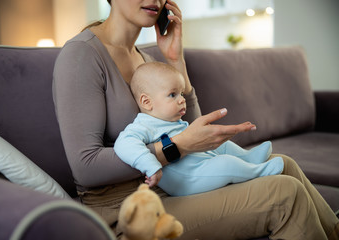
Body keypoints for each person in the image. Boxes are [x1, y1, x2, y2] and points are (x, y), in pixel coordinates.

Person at [52, 0, 339, 239]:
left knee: (286, 164)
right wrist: (176, 146)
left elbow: (191, 130)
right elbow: (85, 167)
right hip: (127, 208)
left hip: (172, 186)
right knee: (284, 194)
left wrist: (175, 60)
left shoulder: (143, 57)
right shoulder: (82, 54)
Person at [114, 62, 284, 196]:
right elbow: (124, 143)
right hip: (187, 179)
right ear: (146, 102)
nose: (182, 100)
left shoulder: (170, 120)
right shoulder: (144, 124)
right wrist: (151, 166)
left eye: (181, 94)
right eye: (173, 94)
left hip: (200, 164)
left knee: (221, 143)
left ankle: (248, 157)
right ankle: (258, 172)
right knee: (225, 164)